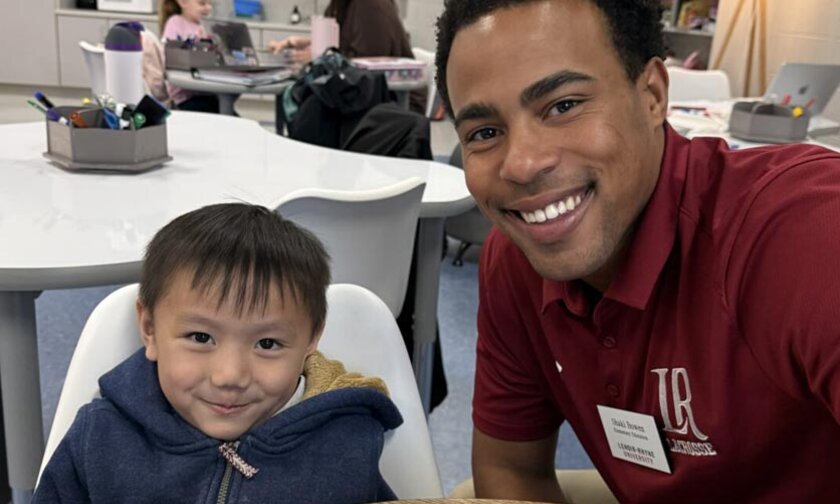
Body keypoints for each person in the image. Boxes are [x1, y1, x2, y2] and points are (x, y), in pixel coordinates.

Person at [435, 0, 840, 503]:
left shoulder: (799, 229)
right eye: (485, 133)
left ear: (651, 95)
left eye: (563, 105)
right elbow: (511, 471)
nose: (521, 163)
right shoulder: (515, 261)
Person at [34, 203, 402, 503]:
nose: (230, 376)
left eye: (267, 344)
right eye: (200, 337)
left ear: (311, 341)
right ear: (149, 330)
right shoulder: (100, 437)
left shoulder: (347, 442)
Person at [267, 0, 426, 114]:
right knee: (301, 98)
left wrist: (319, 56)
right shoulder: (341, 5)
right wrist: (307, 44)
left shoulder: (370, 5)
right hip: (366, 93)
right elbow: (342, 44)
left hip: (395, 101)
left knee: (308, 107)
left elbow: (368, 68)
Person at [158, 0, 221, 113]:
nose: (208, 8)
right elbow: (171, 54)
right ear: (183, 2)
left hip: (208, 93)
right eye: (202, 3)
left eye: (210, 4)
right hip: (186, 98)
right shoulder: (175, 22)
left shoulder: (205, 27)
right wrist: (198, 44)